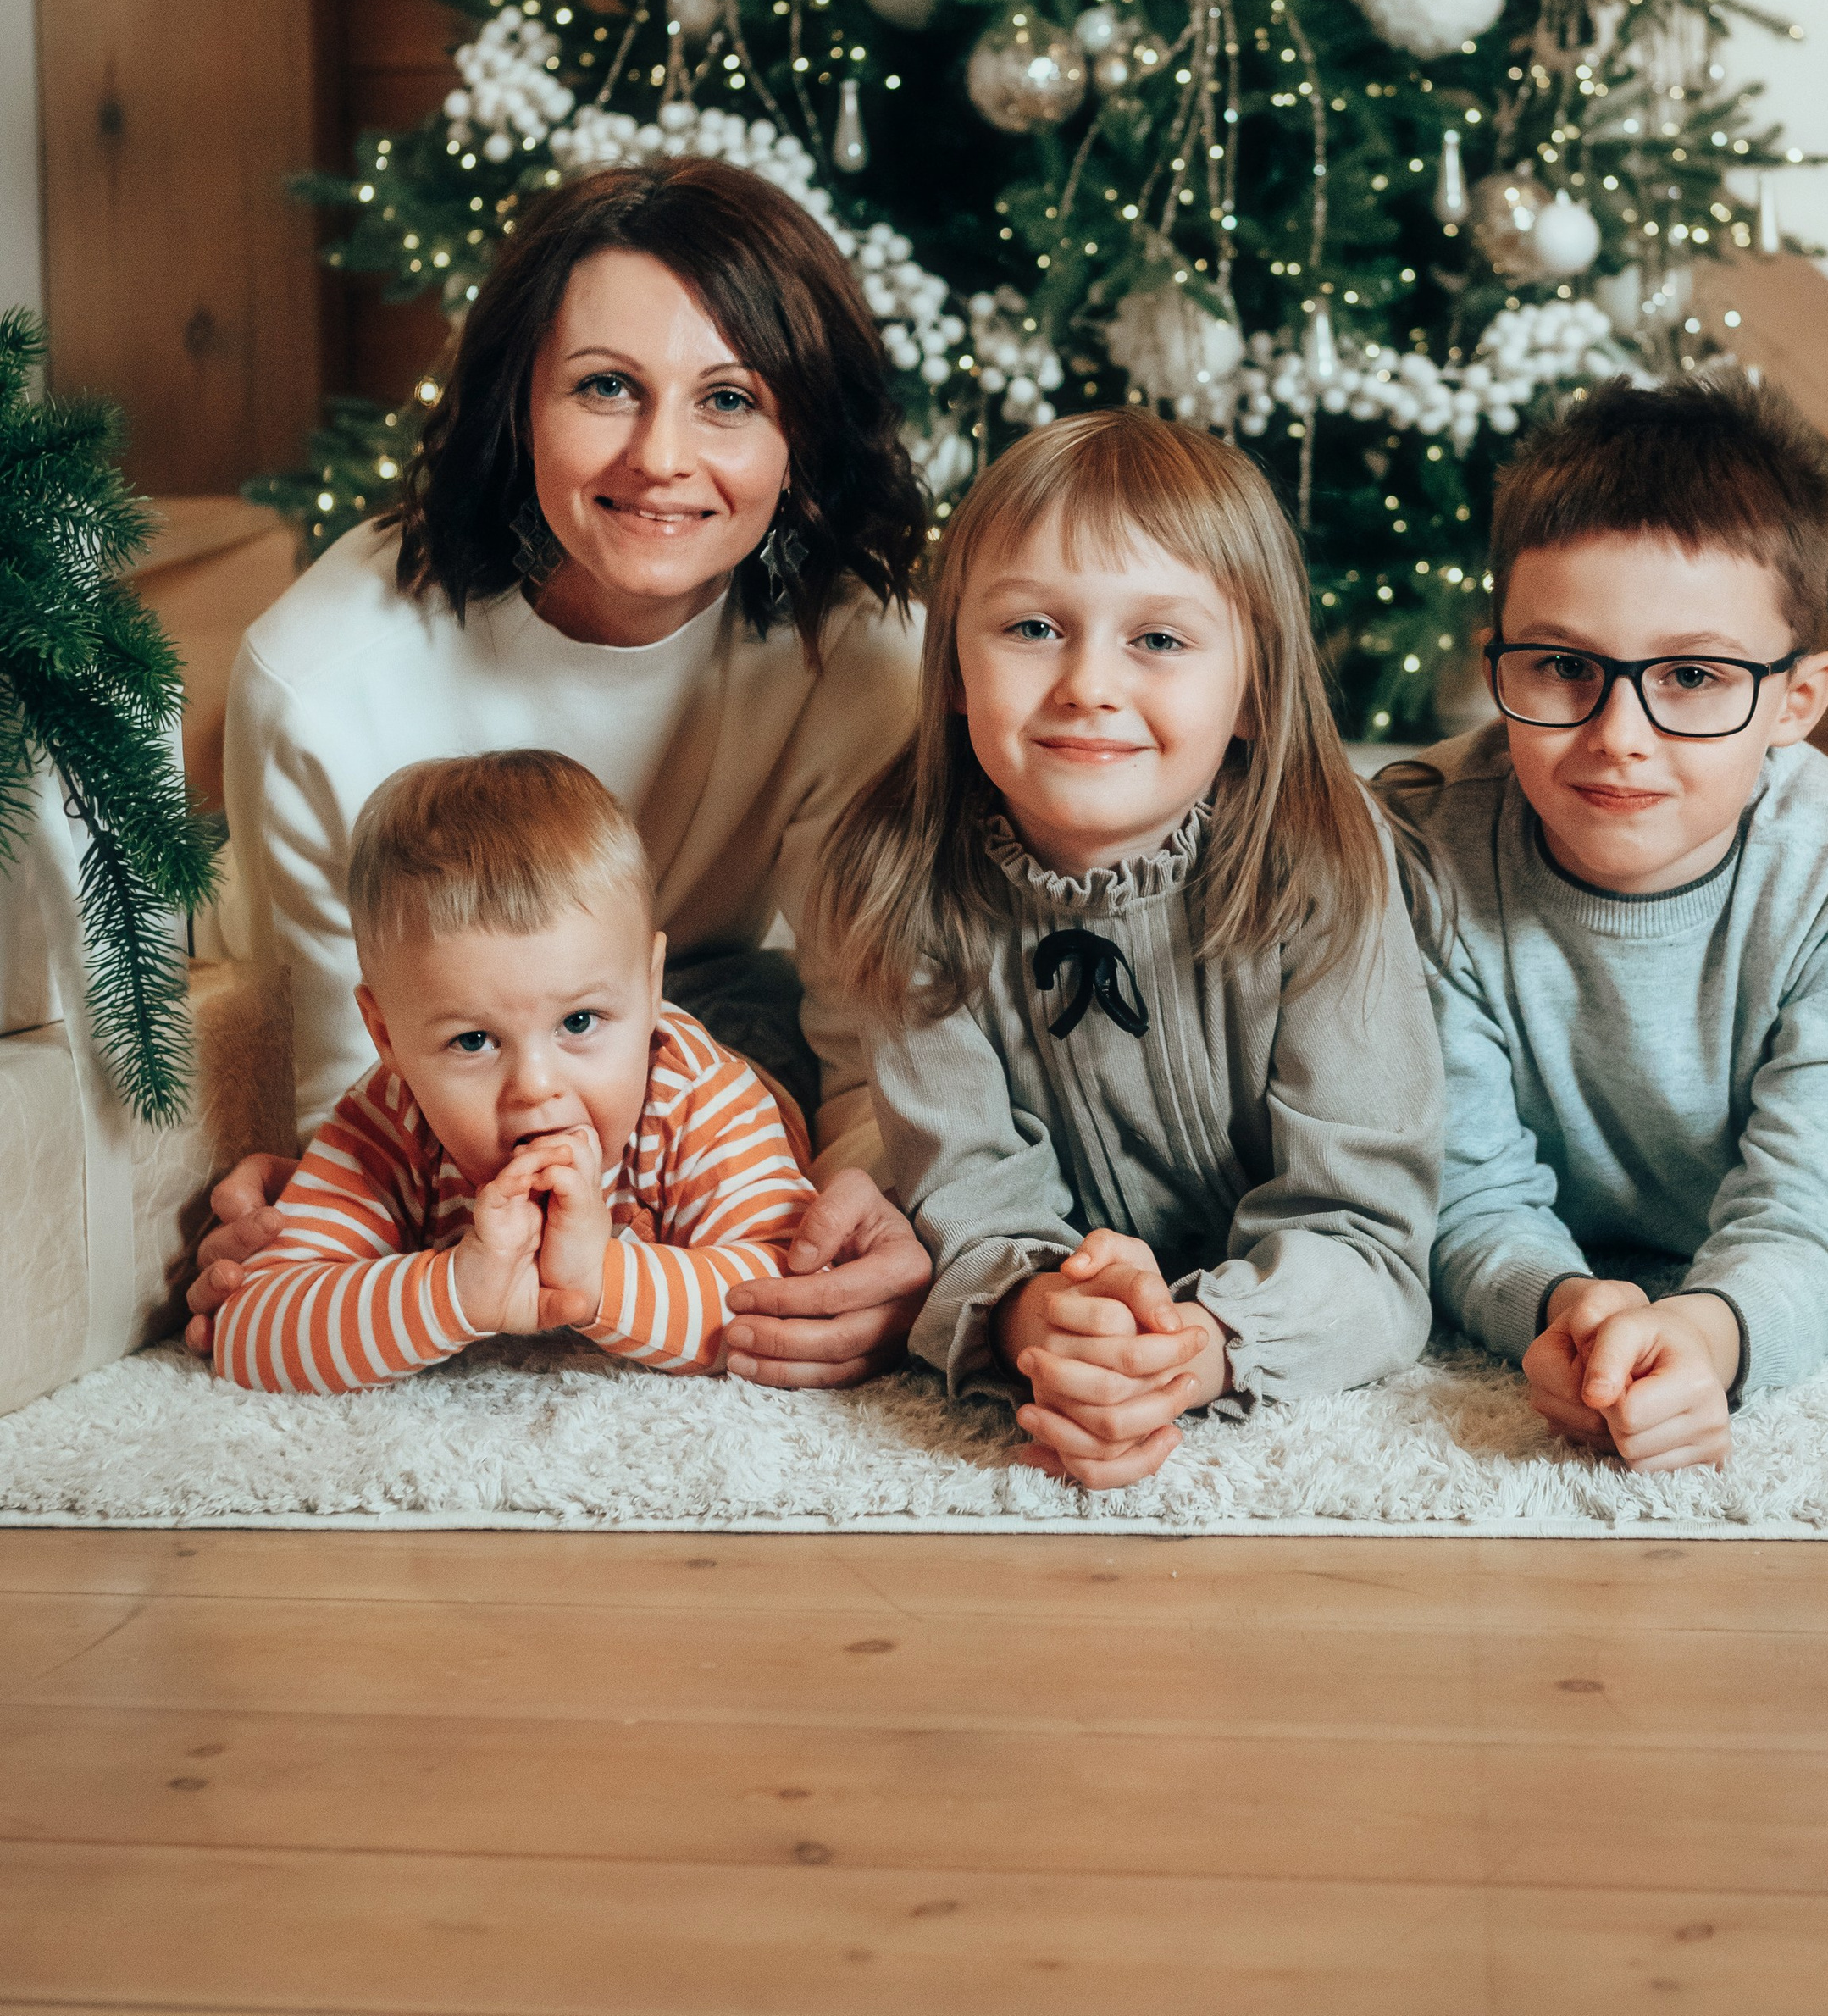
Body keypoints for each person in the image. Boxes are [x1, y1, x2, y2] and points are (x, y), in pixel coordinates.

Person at [187, 159, 933, 1387]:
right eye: (605, 388)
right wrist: (342, 1269)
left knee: (771, 1049)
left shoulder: (856, 659)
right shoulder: (324, 678)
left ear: (801, 437)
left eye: (731, 400)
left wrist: (862, 1223)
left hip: (691, 1009)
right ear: (519, 403)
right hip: (432, 1042)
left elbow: (869, 1054)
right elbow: (346, 1092)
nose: (662, 458)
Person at [819, 409, 1443, 1496]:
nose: (1087, 686)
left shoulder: (1328, 865)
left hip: (1276, 1294)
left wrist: (1196, 1349)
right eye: (1031, 630)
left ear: (1251, 688)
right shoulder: (900, 880)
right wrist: (1034, 1318)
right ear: (955, 667)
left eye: (1157, 640)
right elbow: (966, 1196)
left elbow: (1373, 1240)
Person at [1392, 370, 1828, 1478]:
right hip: (1754, 856)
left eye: (1696, 676)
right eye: (1565, 666)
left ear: (1796, 703)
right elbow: (1461, 1190)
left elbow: (1804, 1211)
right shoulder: (1421, 850)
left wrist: (1713, 1334)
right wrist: (1560, 1310)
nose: (1621, 735)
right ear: (1496, 659)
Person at [216, 750, 815, 1392]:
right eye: (473, 1040)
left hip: (763, 1039)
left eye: (579, 1022)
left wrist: (597, 1279)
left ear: (648, 985)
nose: (535, 1086)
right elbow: (249, 1326)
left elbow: (789, 1296)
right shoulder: (387, 1117)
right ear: (386, 1035)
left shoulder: (701, 1100)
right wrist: (455, 1291)